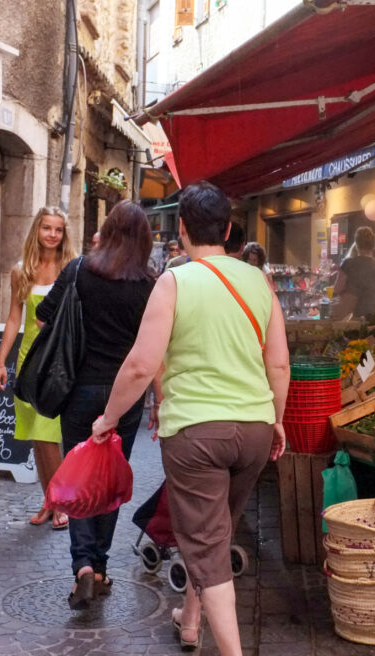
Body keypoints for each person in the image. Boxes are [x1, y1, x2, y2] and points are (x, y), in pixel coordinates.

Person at [92, 181, 287, 655]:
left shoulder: (174, 282)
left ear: (181, 229)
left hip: (197, 433)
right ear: (227, 229)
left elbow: (141, 364)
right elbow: (279, 363)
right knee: (215, 534)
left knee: (205, 542)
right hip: (255, 430)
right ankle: (191, 621)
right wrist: (276, 420)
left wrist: (108, 418)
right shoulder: (259, 282)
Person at [36, 201, 156, 610]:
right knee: (108, 480)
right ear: (145, 240)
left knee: (79, 475)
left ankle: (83, 568)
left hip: (79, 389)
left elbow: (43, 316)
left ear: (106, 229)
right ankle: (100, 567)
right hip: (126, 397)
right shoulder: (150, 284)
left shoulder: (77, 270)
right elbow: (154, 350)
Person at [0, 206, 75, 529]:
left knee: (47, 435)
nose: (53, 235)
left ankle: (60, 503)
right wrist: (1, 361)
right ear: (36, 231)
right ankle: (49, 502)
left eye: (58, 229)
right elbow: (15, 318)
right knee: (37, 439)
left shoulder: (70, 268)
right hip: (29, 361)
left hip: (57, 363)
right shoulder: (21, 270)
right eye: (47, 228)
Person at [333, 226, 375, 320]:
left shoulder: (348, 264)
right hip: (373, 315)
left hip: (353, 316)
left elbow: (337, 288)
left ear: (357, 245)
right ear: (373, 245)